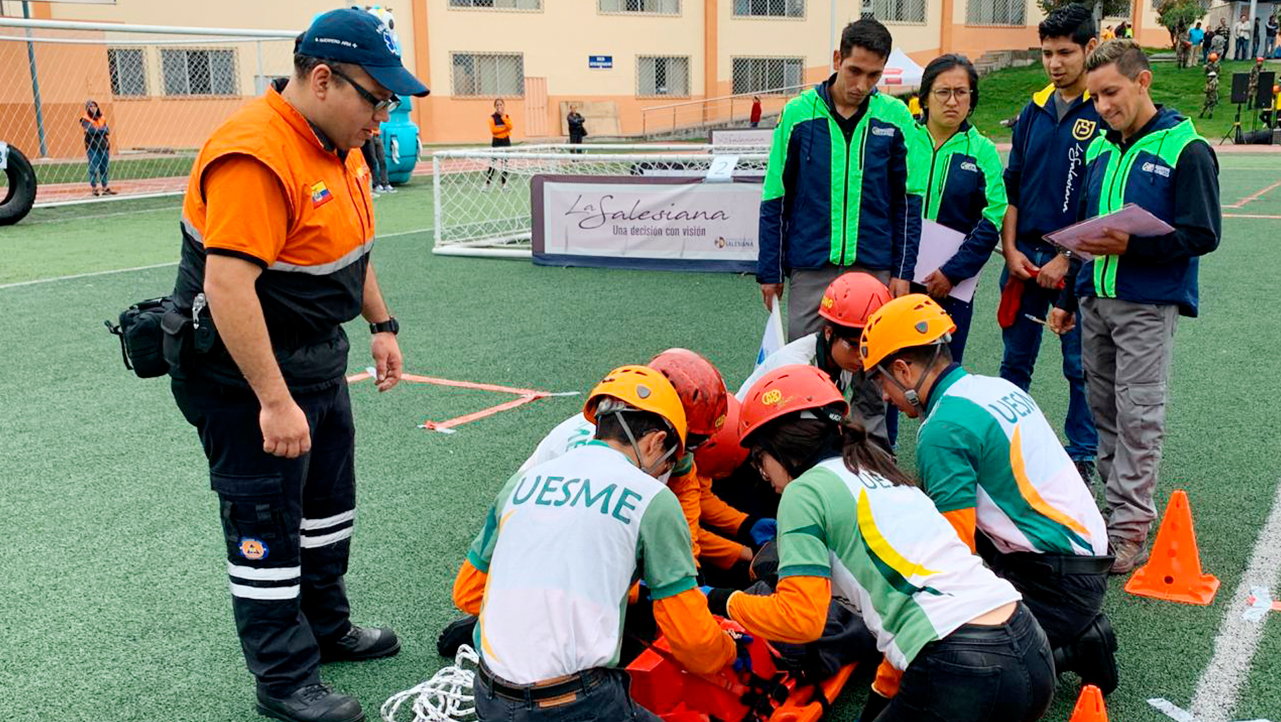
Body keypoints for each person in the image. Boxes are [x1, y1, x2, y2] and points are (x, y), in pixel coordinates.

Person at [166, 10, 429, 722]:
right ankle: (283, 679)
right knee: (266, 530)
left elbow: (350, 251)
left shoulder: (339, 142)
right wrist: (273, 401)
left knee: (325, 514)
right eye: (377, 99)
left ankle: (326, 630)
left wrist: (382, 323)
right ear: (322, 79)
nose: (385, 115)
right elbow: (228, 288)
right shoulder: (256, 153)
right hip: (242, 378)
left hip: (316, 362)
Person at [704, 364, 1055, 722]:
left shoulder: (803, 491)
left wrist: (719, 598)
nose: (765, 477)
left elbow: (801, 620)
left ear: (779, 446)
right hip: (1030, 645)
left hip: (961, 667)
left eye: (760, 461)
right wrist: (879, 699)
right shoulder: (877, 470)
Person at [860, 294, 1118, 694]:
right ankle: (1068, 634)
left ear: (902, 370)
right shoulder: (991, 388)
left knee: (947, 661)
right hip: (1080, 562)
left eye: (880, 381)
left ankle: (1072, 647)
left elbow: (953, 554)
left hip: (1056, 584)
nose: (883, 395)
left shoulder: (943, 429)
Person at [451, 366, 739, 721]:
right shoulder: (651, 497)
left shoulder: (522, 482)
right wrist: (727, 650)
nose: (668, 468)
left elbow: (466, 593)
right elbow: (692, 643)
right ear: (655, 443)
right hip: (576, 704)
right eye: (671, 456)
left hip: (490, 696)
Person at [1049, 40, 1221, 574]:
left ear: (1142, 82)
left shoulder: (1186, 148)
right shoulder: (1100, 149)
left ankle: (1128, 531)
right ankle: (1112, 513)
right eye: (1095, 96)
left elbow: (1203, 234)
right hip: (1094, 300)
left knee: (1139, 416)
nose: (1102, 106)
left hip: (1147, 306)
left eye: (1112, 93)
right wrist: (1067, 296)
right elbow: (1085, 234)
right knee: (1105, 415)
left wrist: (1134, 247)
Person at [757, 17, 923, 342]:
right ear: (837, 60)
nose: (862, 84)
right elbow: (776, 197)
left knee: (874, 372)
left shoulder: (896, 117)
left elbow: (907, 202)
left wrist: (903, 272)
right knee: (805, 369)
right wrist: (770, 271)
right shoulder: (798, 114)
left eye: (874, 75)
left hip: (874, 265)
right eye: (855, 71)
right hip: (811, 263)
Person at [999, 3, 1100, 484]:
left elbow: (1103, 202)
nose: (1055, 63)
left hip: (1075, 266)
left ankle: (1082, 453)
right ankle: (1006, 442)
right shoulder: (1033, 111)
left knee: (1079, 367)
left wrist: (1067, 258)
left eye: (1065, 52)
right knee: (1014, 362)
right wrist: (1011, 249)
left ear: (1090, 49)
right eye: (1047, 54)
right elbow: (1012, 187)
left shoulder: (1103, 110)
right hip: (1022, 259)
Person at [908, 53, 1007, 363]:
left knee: (942, 371)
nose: (952, 101)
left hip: (952, 286)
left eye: (961, 92)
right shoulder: (904, 140)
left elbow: (993, 218)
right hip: (898, 278)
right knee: (893, 370)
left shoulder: (983, 150)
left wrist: (952, 273)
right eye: (943, 92)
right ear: (924, 98)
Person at [737, 272, 892, 449]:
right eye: (853, 345)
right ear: (828, 333)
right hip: (745, 443)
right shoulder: (797, 367)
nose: (861, 356)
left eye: (866, 346)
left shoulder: (839, 357)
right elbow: (792, 439)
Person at [80, 100, 114, 197]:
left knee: (104, 167)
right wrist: (101, 130)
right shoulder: (85, 119)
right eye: (91, 106)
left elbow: (107, 130)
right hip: (92, 146)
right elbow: (91, 130)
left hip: (103, 145)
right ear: (87, 108)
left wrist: (99, 130)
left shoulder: (102, 117)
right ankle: (94, 188)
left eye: (94, 106)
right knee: (93, 168)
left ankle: (105, 187)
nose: (93, 108)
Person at [484, 98, 512, 190]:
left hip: (506, 141)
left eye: (501, 104)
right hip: (496, 141)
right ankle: (487, 183)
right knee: (493, 163)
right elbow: (494, 130)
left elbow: (510, 126)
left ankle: (504, 184)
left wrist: (503, 118)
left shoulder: (506, 116)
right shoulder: (492, 118)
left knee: (505, 164)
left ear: (504, 105)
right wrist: (505, 128)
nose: (499, 106)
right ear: (495, 107)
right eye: (497, 105)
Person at [361, 128, 393, 194]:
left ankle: (385, 183)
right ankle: (376, 184)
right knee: (373, 161)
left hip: (378, 135)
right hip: (370, 136)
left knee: (383, 160)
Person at [1202, 53, 1221, 118]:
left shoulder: (1211, 82)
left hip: (1210, 95)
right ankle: (1210, 113)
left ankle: (1203, 113)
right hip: (1213, 95)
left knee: (1206, 104)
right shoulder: (1215, 82)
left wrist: (1206, 90)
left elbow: (1209, 89)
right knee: (1211, 105)